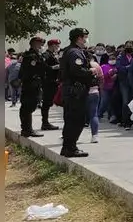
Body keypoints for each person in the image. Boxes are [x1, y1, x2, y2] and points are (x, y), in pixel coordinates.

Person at [59, 28, 97, 157]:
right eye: (85, 36)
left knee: (73, 120)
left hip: (75, 90)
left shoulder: (73, 51)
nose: (86, 39)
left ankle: (68, 147)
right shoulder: (75, 52)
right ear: (79, 38)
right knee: (76, 120)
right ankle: (70, 148)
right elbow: (77, 71)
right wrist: (91, 71)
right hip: (75, 91)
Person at [18, 37, 47, 137]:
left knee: (30, 106)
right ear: (34, 44)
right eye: (40, 44)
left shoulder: (35, 55)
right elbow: (35, 70)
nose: (41, 46)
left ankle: (27, 129)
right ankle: (27, 129)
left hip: (34, 84)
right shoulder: (31, 56)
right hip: (30, 85)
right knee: (28, 106)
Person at [41, 39, 61, 131]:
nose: (58, 47)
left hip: (54, 82)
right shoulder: (46, 55)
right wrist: (54, 67)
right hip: (48, 82)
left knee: (49, 102)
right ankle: (45, 123)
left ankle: (46, 122)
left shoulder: (54, 55)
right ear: (52, 45)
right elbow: (43, 67)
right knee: (46, 102)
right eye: (57, 45)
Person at [86, 52, 104, 142]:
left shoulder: (81, 66)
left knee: (78, 114)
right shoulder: (96, 65)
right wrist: (100, 89)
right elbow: (101, 78)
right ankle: (95, 136)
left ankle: (71, 136)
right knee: (94, 114)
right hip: (94, 92)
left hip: (82, 93)